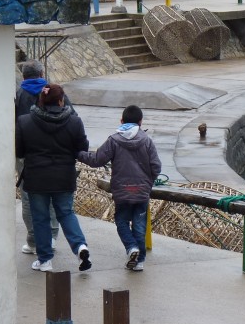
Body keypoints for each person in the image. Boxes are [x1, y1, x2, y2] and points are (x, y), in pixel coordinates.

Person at [15, 83, 92, 273]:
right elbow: (82, 147)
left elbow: (19, 151)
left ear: (40, 101)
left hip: (36, 177)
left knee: (40, 219)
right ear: (61, 100)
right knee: (66, 213)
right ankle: (80, 246)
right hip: (64, 176)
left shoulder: (25, 121)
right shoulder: (74, 122)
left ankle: (45, 260)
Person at [77, 105, 161, 272]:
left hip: (122, 192)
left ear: (121, 121)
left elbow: (96, 160)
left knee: (121, 221)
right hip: (142, 192)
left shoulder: (114, 140)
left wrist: (77, 153)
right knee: (139, 225)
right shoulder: (147, 141)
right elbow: (156, 167)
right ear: (140, 121)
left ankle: (131, 248)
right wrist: (147, 183)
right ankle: (139, 261)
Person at [15, 60, 60, 255]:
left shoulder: (17, 95)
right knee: (51, 194)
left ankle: (33, 240)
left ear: (23, 76)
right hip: (53, 151)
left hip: (26, 152)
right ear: (42, 73)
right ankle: (51, 236)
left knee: (28, 195)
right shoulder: (54, 91)